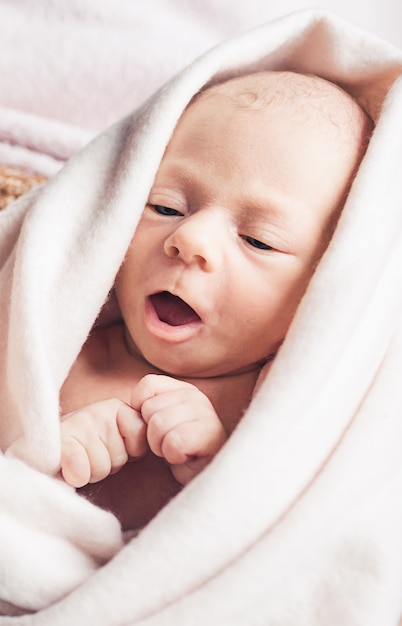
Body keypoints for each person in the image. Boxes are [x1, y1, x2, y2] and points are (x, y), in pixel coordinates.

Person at [59, 70, 373, 530]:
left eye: (258, 240)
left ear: (323, 288)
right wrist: (49, 458)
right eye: (166, 207)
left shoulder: (279, 412)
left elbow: (302, 532)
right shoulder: (58, 352)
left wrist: (216, 470)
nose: (190, 239)